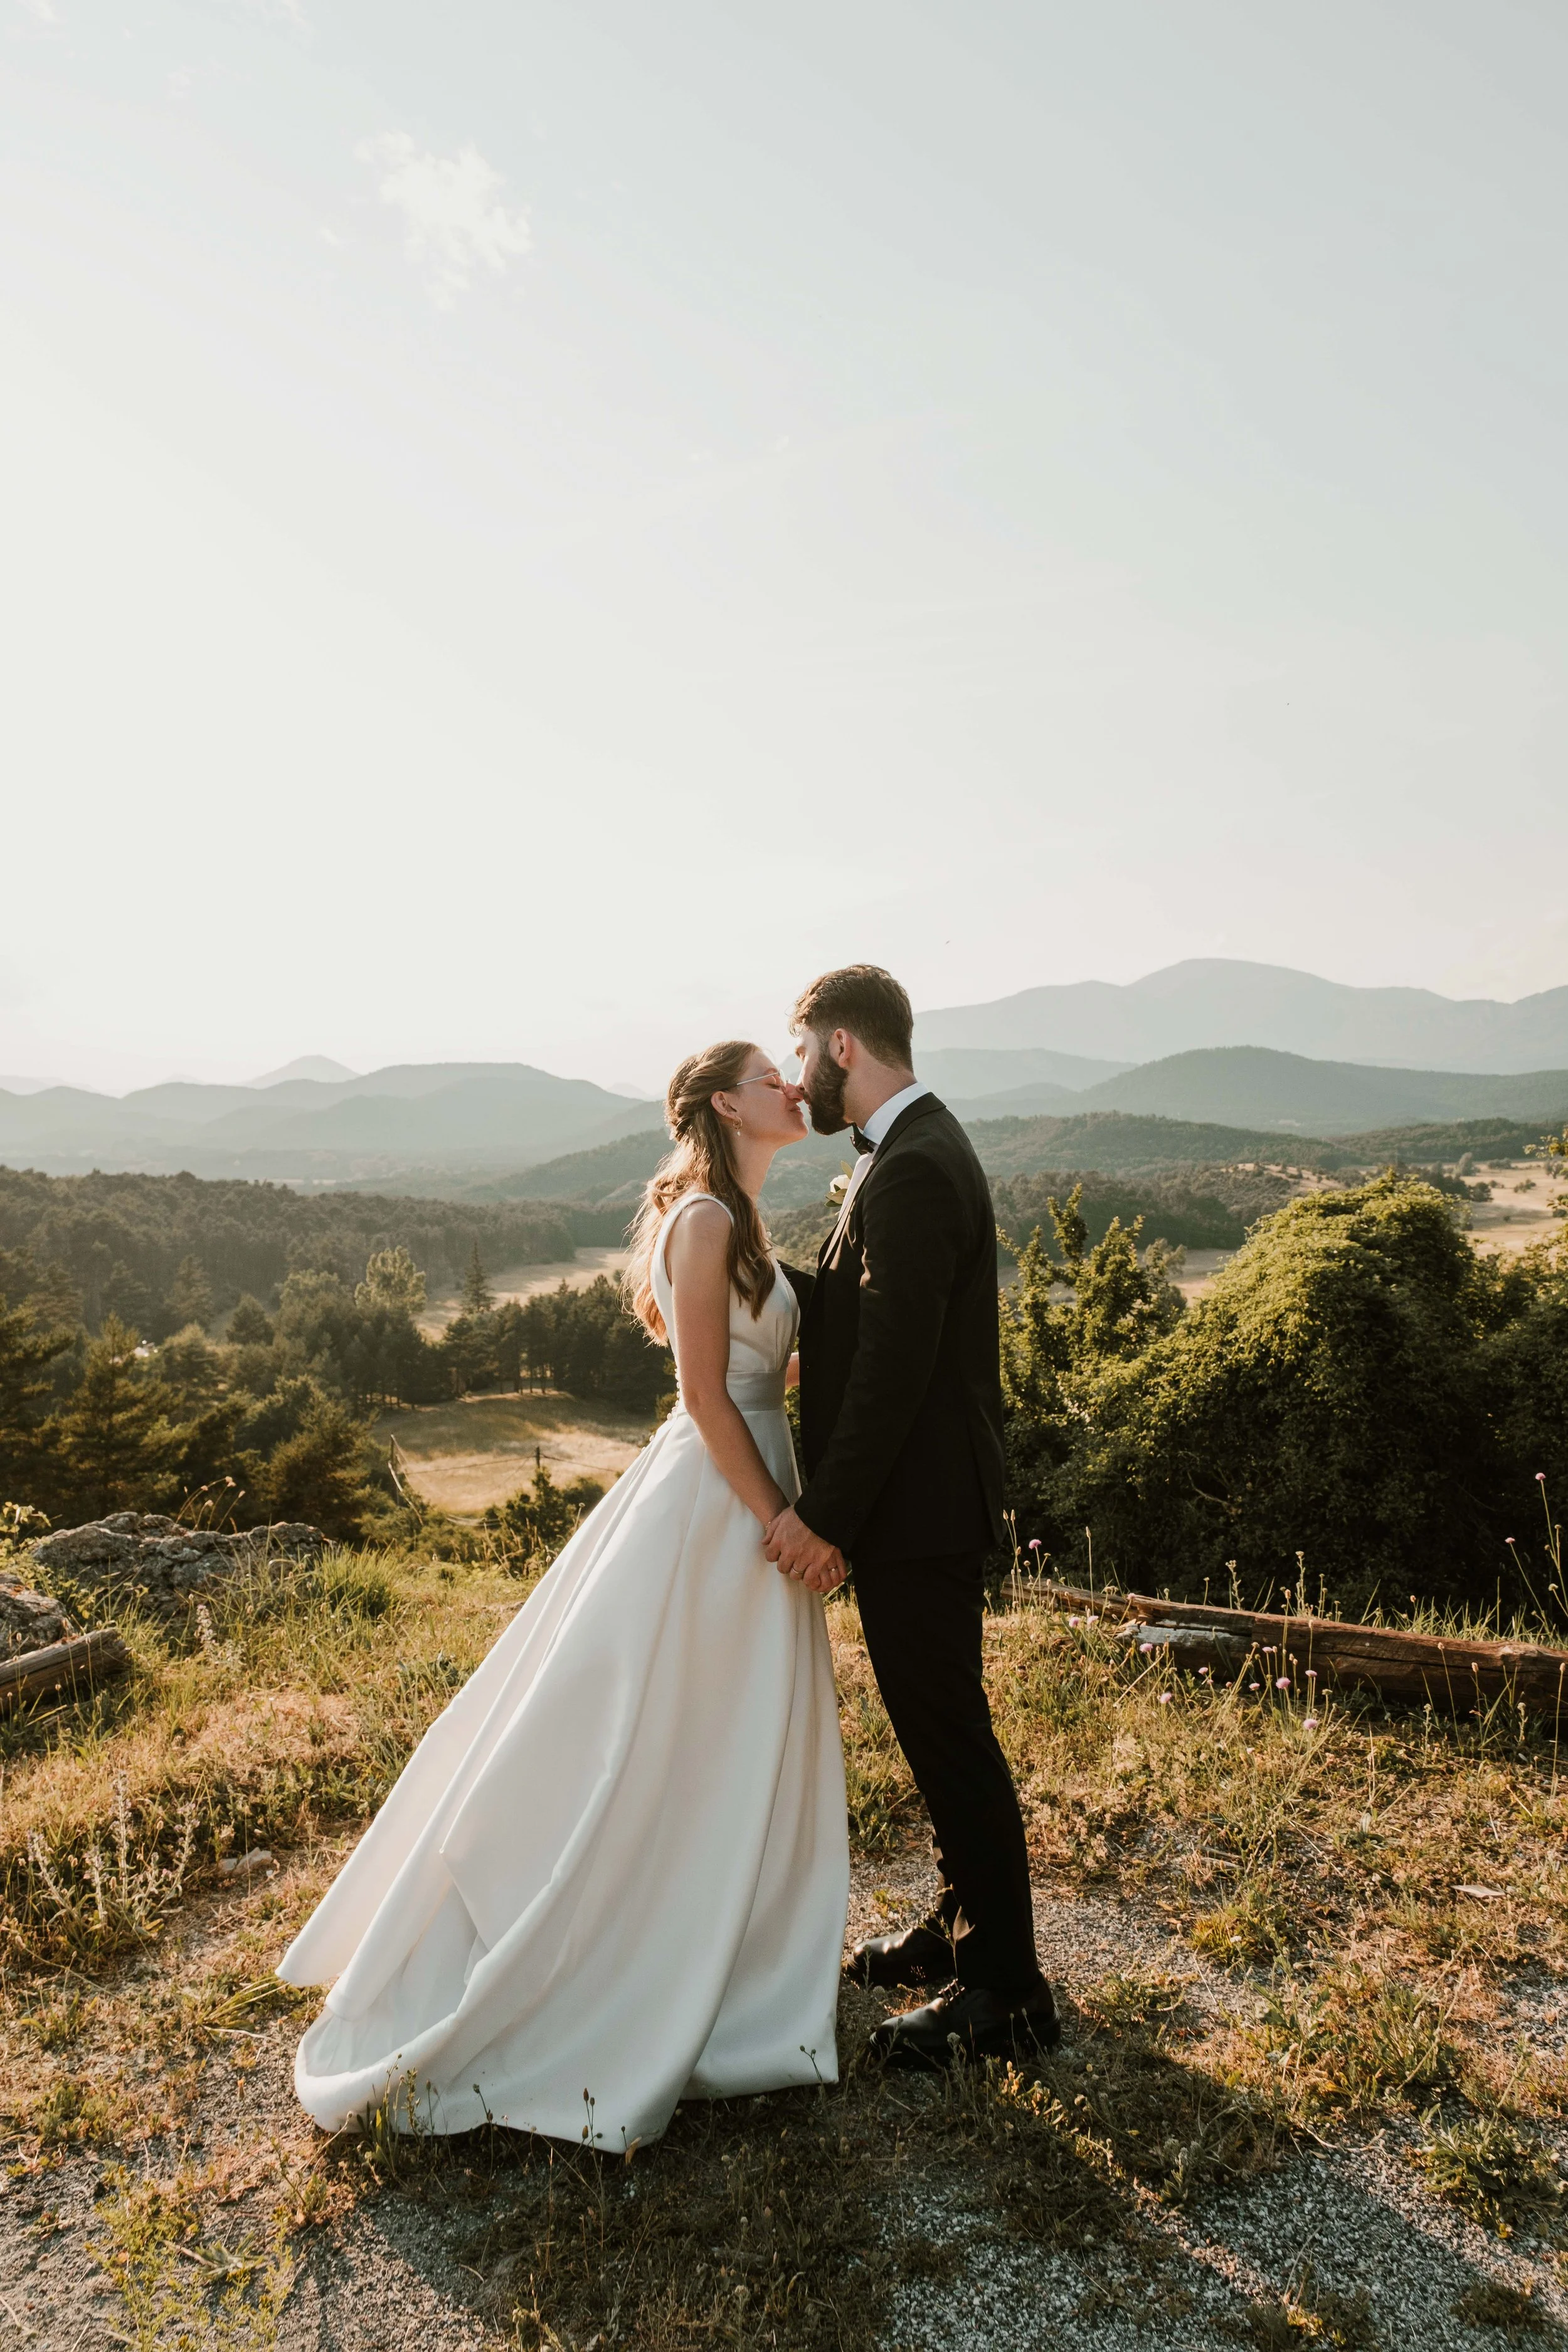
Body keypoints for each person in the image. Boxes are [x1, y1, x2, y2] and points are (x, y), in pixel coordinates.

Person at [278, 1040, 849, 2151]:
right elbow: (700, 1392)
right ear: (729, 1103)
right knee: (659, 1733)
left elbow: (755, 1369)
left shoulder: (742, 1222)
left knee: (723, 1736)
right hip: (719, 1502)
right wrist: (776, 1516)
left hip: (751, 1480)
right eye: (772, 1078)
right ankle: (619, 1962)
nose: (794, 1088)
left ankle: (724, 1951)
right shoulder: (705, 1222)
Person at [765, 963, 1059, 2068]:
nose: (799, 1079)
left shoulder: (919, 1167)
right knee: (936, 1733)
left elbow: (895, 1366)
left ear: (841, 1045)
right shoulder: (909, 1154)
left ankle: (1007, 1991)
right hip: (922, 1506)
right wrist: (743, 1276)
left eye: (803, 1054)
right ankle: (957, 1929)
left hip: (920, 1510)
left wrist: (824, 1516)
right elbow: (858, 1306)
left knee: (950, 1735)